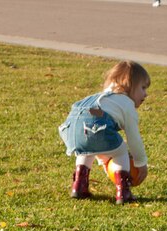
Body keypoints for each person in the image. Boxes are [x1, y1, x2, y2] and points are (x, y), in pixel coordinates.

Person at [58, 61, 150, 205]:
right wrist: (140, 162)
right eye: (143, 87)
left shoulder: (97, 98)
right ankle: (123, 191)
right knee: (121, 152)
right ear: (129, 84)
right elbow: (134, 139)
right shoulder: (126, 103)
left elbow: (95, 140)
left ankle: (79, 185)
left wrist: (105, 161)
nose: (146, 94)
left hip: (71, 131)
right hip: (95, 129)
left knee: (87, 151)